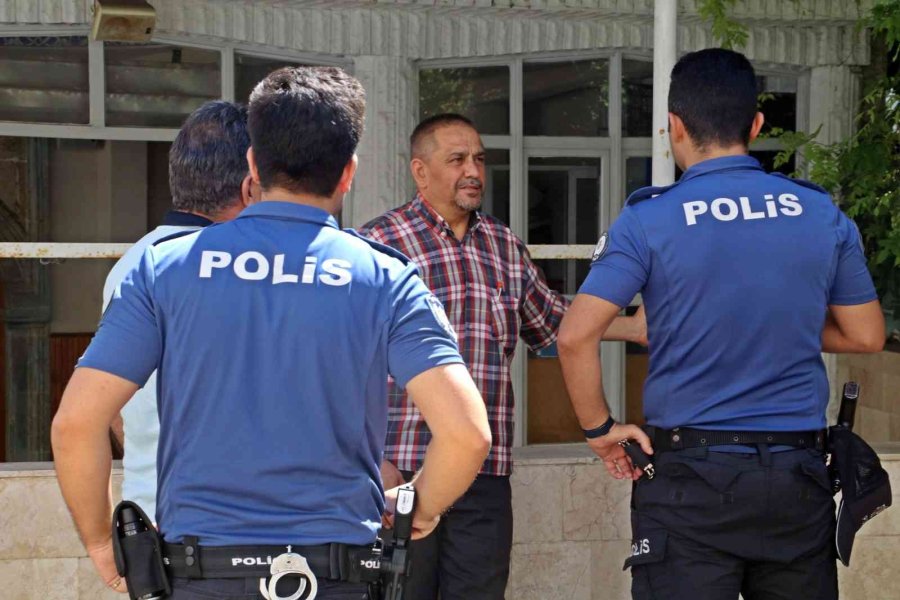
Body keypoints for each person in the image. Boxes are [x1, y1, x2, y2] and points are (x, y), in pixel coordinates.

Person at [52, 67, 491, 600]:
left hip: (199, 577)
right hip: (335, 576)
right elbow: (468, 434)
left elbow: (76, 424)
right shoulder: (384, 276)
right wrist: (417, 510)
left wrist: (102, 543)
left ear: (253, 166)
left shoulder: (165, 268)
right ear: (348, 173)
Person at [557, 48, 885, 600]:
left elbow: (575, 334)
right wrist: (790, 321)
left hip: (690, 484)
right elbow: (866, 335)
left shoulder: (650, 217)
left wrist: (600, 431)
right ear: (755, 125)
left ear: (674, 126)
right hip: (795, 479)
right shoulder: (819, 212)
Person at [359, 113, 647, 600]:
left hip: (483, 476)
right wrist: (373, 459)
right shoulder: (377, 246)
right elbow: (343, 363)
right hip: (401, 471)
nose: (472, 170)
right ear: (420, 171)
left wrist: (632, 327)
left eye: (478, 159)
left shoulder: (503, 246)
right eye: (456, 160)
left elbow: (554, 324)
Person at [104, 100, 256, 522]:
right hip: (230, 527)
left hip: (150, 513)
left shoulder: (134, 261)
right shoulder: (243, 268)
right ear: (251, 184)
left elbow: (116, 407)